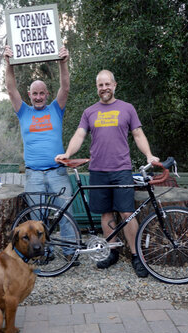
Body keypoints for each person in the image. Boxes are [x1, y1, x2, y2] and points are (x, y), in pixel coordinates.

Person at [55, 69, 159, 277]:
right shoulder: (89, 112)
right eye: (100, 85)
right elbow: (79, 134)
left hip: (121, 170)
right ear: (97, 88)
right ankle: (111, 252)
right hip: (98, 170)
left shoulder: (127, 109)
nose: (104, 88)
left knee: (127, 214)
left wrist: (149, 155)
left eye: (107, 84)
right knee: (105, 213)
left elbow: (138, 134)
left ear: (114, 85)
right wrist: (67, 152)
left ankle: (137, 255)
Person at [4, 45, 77, 259]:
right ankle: (45, 253)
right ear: (29, 95)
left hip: (58, 172)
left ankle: (71, 253)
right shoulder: (23, 111)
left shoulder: (56, 109)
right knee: (37, 219)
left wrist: (63, 62)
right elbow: (10, 89)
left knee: (65, 214)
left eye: (41, 93)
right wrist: (8, 63)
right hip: (33, 174)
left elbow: (65, 88)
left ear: (46, 94)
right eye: (34, 93)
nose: (38, 97)